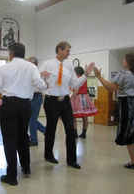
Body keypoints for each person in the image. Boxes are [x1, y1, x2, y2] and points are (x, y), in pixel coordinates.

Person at [0, 43, 48, 186]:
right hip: (25, 105)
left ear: (11, 53)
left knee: (9, 140)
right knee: (22, 136)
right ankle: (26, 168)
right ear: (23, 53)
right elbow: (41, 86)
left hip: (9, 105)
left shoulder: (3, 68)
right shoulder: (32, 67)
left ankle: (11, 176)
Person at [39, 41, 94, 169]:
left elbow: (75, 84)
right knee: (51, 129)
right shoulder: (47, 63)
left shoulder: (69, 65)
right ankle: (48, 155)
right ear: (59, 50)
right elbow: (36, 79)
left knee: (70, 130)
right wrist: (42, 76)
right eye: (67, 50)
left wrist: (85, 74)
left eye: (69, 50)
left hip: (65, 101)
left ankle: (72, 160)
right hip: (51, 100)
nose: (69, 53)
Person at [94, 53, 134, 170]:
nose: (123, 61)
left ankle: (133, 162)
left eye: (124, 59)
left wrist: (99, 77)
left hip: (127, 106)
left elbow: (111, 88)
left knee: (129, 132)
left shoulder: (123, 74)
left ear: (128, 62)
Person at [71, 66, 98, 139]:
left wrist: (71, 97)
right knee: (84, 116)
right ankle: (83, 133)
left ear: (76, 73)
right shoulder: (84, 78)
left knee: (74, 116)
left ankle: (75, 133)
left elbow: (76, 91)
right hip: (85, 97)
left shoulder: (78, 79)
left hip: (77, 98)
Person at [27, 57, 46, 146]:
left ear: (34, 64)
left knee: (32, 120)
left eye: (29, 62)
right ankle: (45, 131)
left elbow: (42, 85)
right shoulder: (29, 73)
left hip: (36, 97)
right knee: (30, 119)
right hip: (29, 97)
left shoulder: (38, 73)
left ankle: (34, 140)